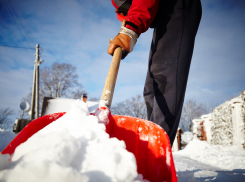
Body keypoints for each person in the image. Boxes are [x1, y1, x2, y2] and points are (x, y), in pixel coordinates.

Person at [108, 0, 202, 145]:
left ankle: (157, 147)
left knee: (164, 78)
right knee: (151, 88)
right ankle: (151, 144)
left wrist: (130, 29)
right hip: (162, 14)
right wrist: (126, 18)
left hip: (178, 4)